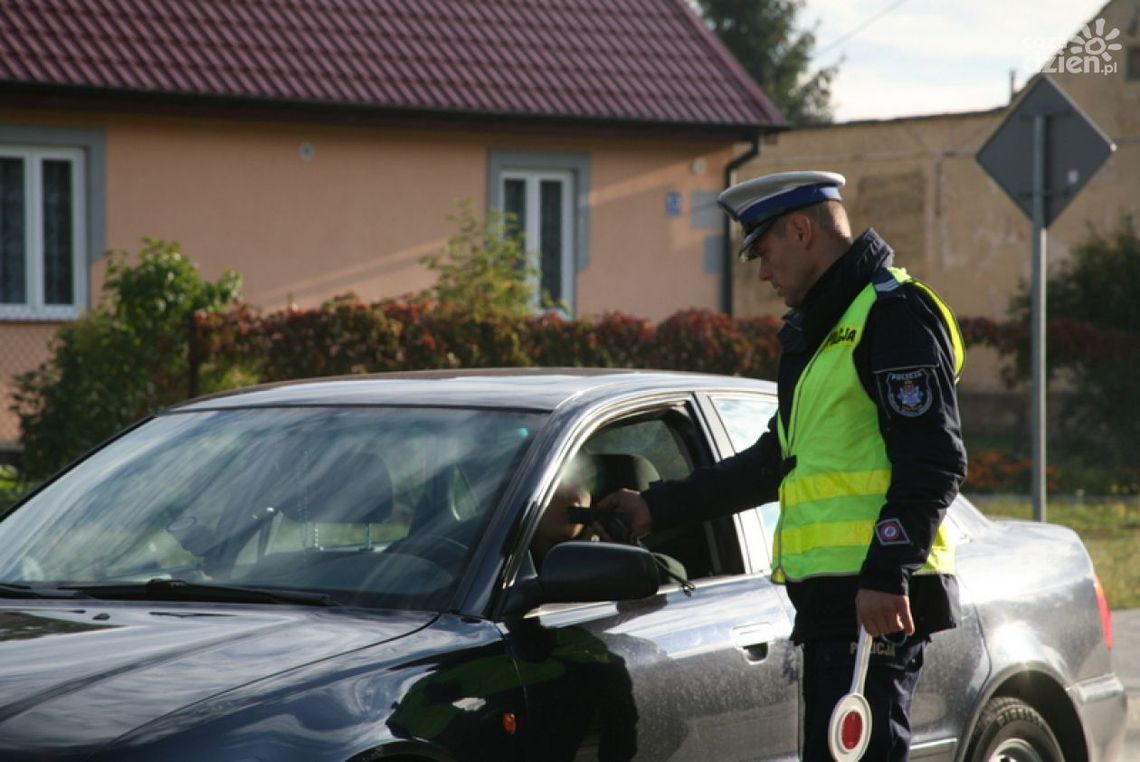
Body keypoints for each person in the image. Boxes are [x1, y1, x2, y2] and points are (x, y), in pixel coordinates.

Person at [597, 170, 967, 761]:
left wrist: (886, 572)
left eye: (764, 254)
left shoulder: (893, 314)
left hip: (873, 604)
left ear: (801, 230)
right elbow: (775, 463)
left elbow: (935, 459)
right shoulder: (823, 332)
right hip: (834, 606)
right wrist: (654, 506)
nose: (764, 274)